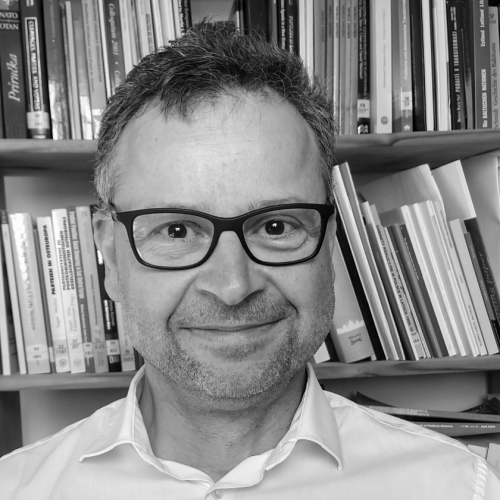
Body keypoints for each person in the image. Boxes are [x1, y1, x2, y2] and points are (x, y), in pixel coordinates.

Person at [1, 28, 499, 500]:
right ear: (111, 256)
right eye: (177, 231)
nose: (232, 286)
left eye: (276, 227)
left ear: (330, 242)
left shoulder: (461, 488)